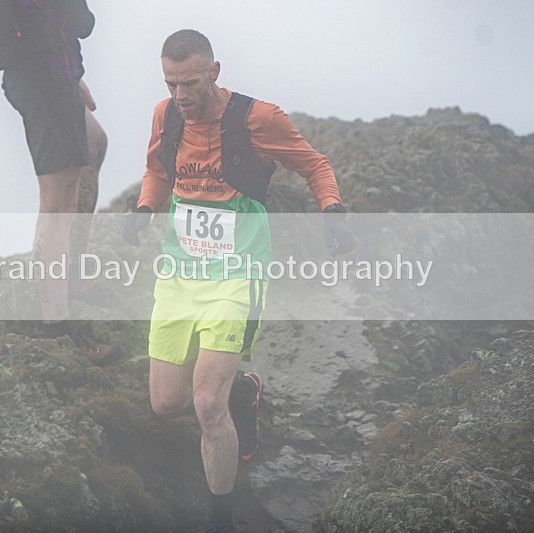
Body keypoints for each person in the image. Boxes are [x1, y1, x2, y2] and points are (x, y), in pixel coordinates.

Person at [123, 29, 354, 532]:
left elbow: (315, 165)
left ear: (214, 71)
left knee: (206, 402)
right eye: (170, 83)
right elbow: (157, 170)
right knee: (168, 404)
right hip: (179, 274)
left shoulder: (258, 118)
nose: (180, 95)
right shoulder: (166, 115)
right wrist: (143, 209)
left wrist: (332, 210)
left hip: (237, 275)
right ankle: (244, 393)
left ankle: (219, 518)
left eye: (189, 82)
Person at [1, 0, 108, 326]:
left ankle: (69, 272)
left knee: (94, 142)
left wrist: (73, 78)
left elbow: (45, 21)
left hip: (51, 71)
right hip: (43, 78)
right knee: (58, 201)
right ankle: (54, 321)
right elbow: (82, 22)